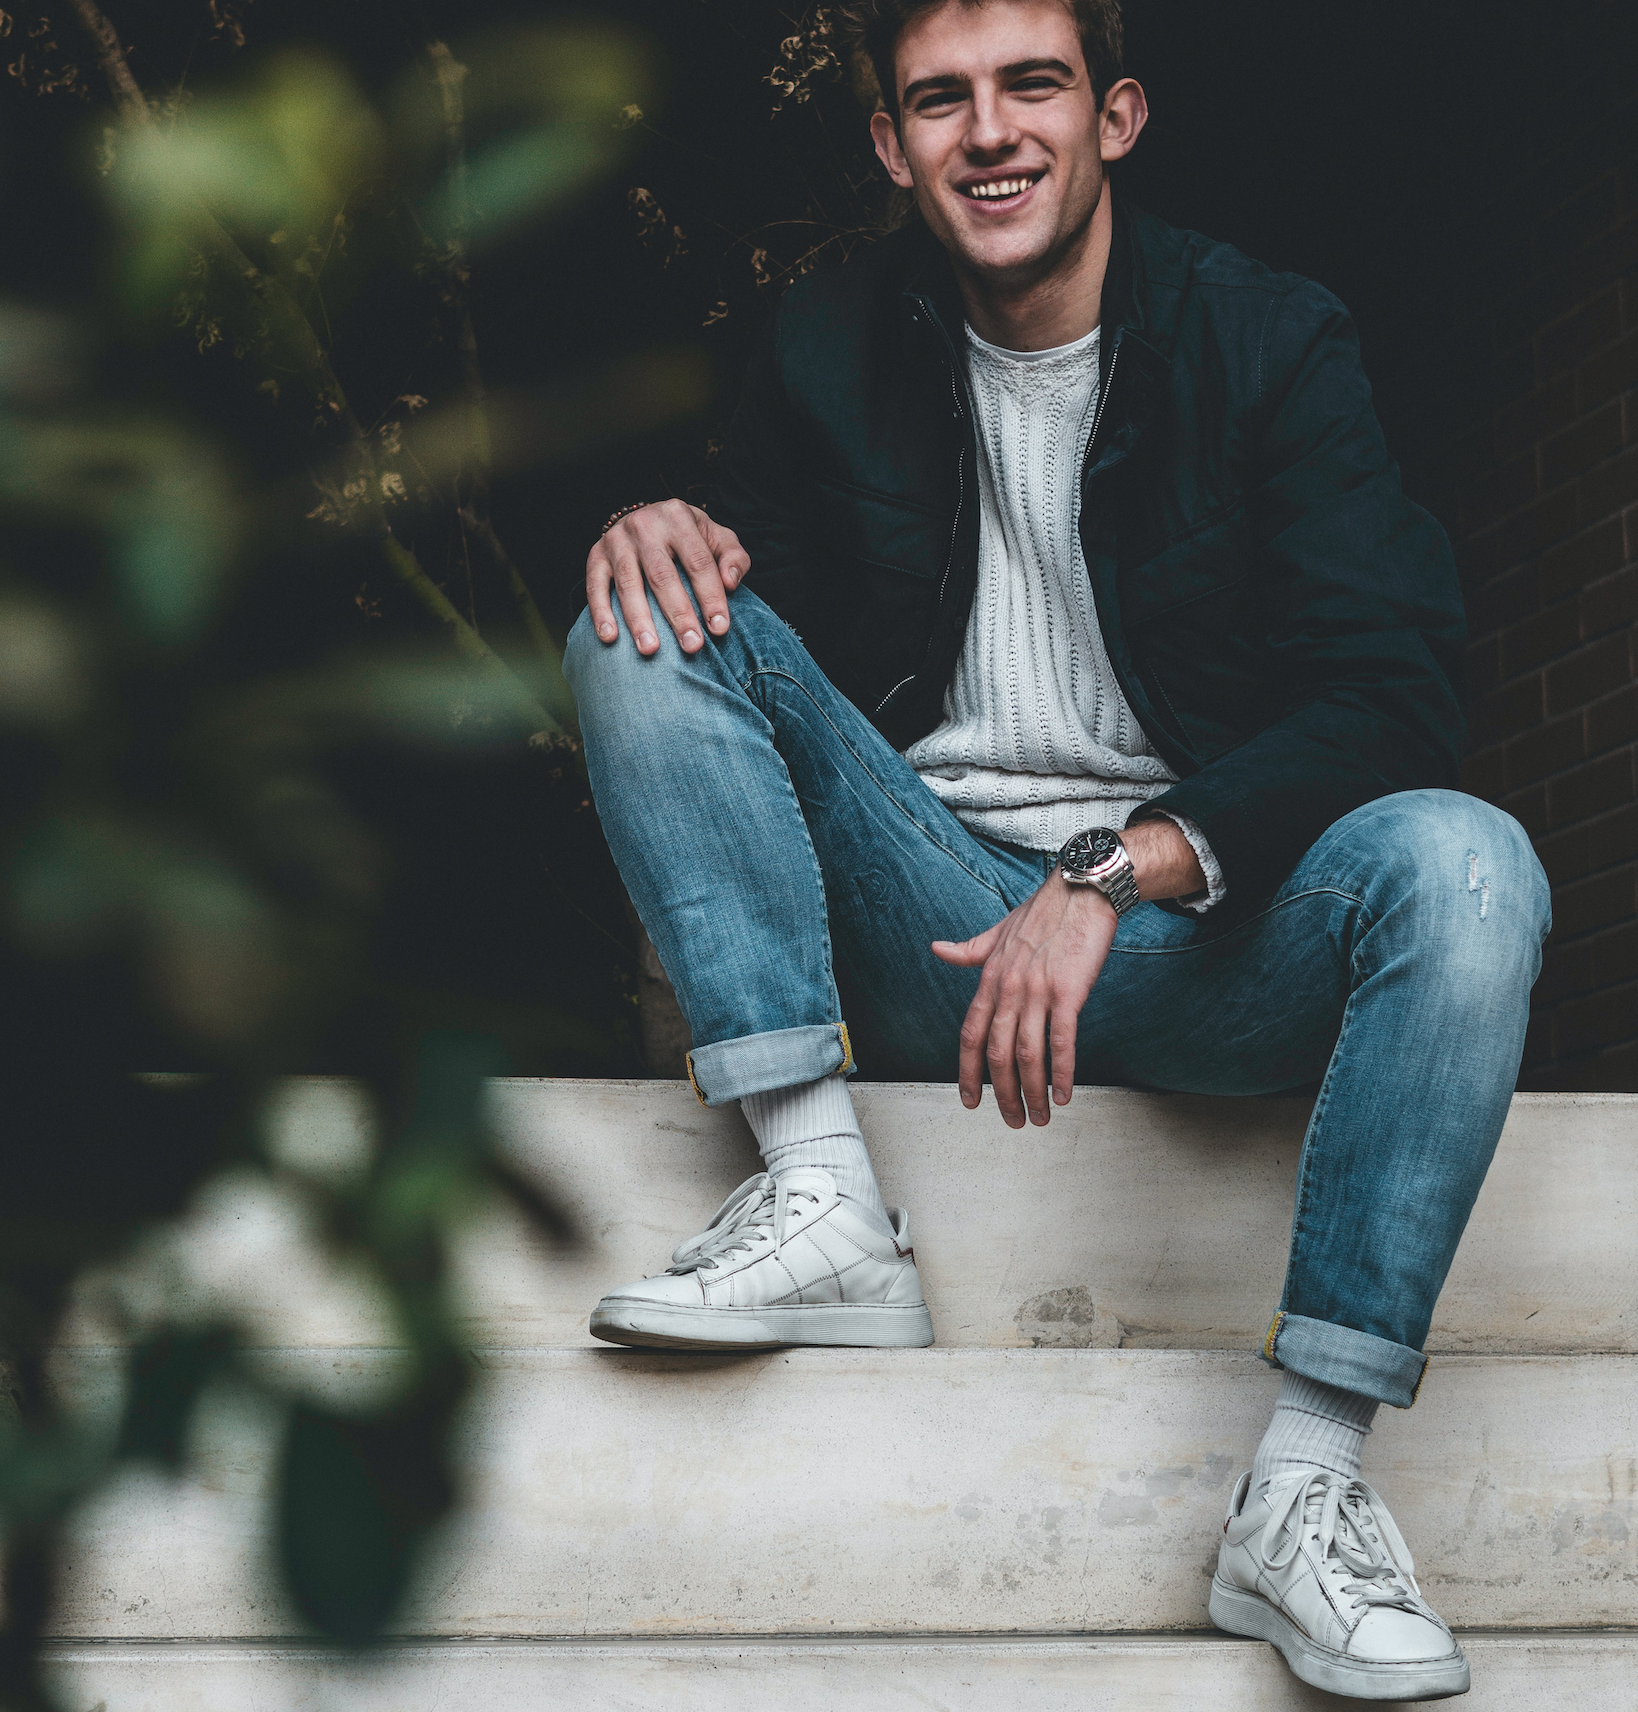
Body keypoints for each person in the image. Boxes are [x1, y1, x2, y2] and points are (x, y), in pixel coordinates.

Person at [563, 0, 1549, 1698]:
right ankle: (820, 1199)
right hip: (928, 919)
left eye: (1033, 84)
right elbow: (760, 646)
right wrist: (674, 535)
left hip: (1203, 944)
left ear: (1116, 116)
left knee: (1468, 862)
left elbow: (1390, 695)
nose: (989, 132)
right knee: (646, 610)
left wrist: (1112, 871)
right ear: (889, 146)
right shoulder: (826, 345)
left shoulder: (1268, 338)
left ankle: (1301, 1495)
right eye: (938, 101)